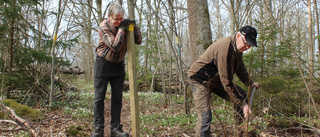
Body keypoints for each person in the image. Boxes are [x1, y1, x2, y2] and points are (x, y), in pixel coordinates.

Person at [187, 26, 260, 137]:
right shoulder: (225, 49)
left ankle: (242, 132)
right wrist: (244, 105)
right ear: (239, 35)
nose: (247, 47)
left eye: (250, 45)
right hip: (199, 79)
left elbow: (240, 68)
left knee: (242, 98)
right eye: (246, 43)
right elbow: (227, 82)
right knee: (205, 115)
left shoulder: (237, 47)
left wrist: (250, 82)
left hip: (216, 80)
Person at [91, 3, 142, 137]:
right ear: (109, 17)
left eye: (121, 19)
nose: (119, 21)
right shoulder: (104, 26)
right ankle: (98, 129)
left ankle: (115, 129)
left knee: (117, 98)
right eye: (116, 19)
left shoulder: (124, 25)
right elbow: (115, 45)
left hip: (118, 65)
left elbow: (138, 40)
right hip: (103, 64)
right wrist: (122, 29)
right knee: (99, 97)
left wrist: (134, 27)